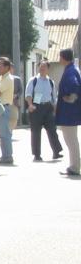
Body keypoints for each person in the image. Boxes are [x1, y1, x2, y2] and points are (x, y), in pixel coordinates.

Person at [25, 60, 63, 162]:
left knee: (52, 130)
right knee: (36, 132)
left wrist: (55, 109)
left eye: (44, 67)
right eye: (40, 67)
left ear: (48, 69)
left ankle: (56, 151)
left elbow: (54, 97)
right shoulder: (33, 80)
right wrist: (30, 105)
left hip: (48, 107)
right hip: (36, 107)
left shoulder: (51, 82)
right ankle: (37, 155)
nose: (42, 69)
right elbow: (28, 94)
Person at [56, 48, 81, 176]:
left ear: (63, 57)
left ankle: (75, 167)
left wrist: (70, 97)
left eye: (60, 57)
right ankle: (74, 165)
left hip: (69, 113)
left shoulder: (70, 71)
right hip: (71, 113)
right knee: (72, 140)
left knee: (71, 140)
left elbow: (74, 85)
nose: (59, 59)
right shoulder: (73, 69)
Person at [0, 57, 15, 165]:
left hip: (4, 107)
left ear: (7, 67)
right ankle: (4, 155)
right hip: (0, 107)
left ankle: (8, 156)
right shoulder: (1, 78)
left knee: (5, 133)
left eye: (0, 65)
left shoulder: (8, 78)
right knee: (1, 133)